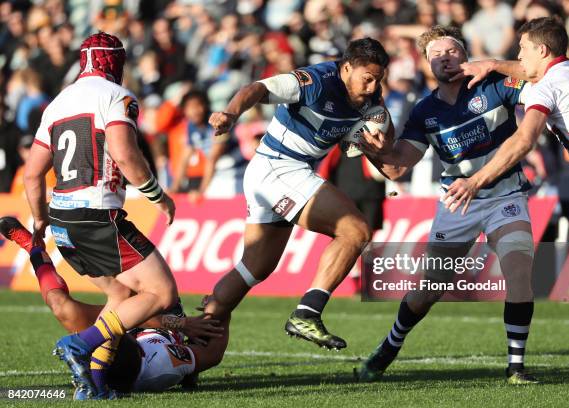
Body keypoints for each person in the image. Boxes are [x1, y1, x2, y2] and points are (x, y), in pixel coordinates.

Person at [356, 25, 538, 384]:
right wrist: (374, 151)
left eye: (451, 51)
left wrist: (496, 65)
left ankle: (516, 366)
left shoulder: (494, 86)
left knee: (519, 276)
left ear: (466, 56)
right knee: (429, 288)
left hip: (506, 196)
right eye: (435, 55)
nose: (444, 58)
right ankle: (389, 347)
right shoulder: (425, 111)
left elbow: (536, 74)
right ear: (427, 66)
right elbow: (396, 167)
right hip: (458, 205)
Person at [442, 17, 569, 384]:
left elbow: (524, 140)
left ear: (541, 50)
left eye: (522, 48)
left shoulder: (544, 88)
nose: (517, 54)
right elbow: (529, 71)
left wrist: (476, 180)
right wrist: (492, 64)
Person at [23, 32, 184, 399]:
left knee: (122, 295)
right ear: (115, 62)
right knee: (161, 292)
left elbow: (33, 173)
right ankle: (81, 345)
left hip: (62, 219)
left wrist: (39, 219)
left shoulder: (57, 103)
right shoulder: (117, 96)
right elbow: (124, 154)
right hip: (95, 214)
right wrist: (158, 196)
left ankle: (92, 384)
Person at [204, 37, 389, 351]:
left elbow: (384, 143)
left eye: (378, 79)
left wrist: (380, 140)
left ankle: (194, 337)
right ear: (346, 68)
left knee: (255, 267)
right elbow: (258, 88)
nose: (371, 87)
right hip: (280, 168)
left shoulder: (371, 99)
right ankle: (308, 312)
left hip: (274, 172)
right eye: (366, 79)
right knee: (355, 230)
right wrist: (231, 113)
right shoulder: (314, 81)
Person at [0, 215, 227, 394]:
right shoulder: (162, 365)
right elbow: (214, 354)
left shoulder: (115, 364)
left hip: (130, 324)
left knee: (62, 307)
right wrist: (215, 310)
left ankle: (34, 247)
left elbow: (118, 324)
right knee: (141, 291)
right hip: (164, 317)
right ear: (133, 345)